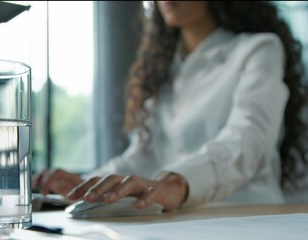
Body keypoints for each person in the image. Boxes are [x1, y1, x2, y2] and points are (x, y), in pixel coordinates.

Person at [33, 1, 308, 211]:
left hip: (248, 216)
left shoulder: (258, 49)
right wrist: (87, 185)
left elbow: (248, 138)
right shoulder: (163, 70)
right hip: (175, 220)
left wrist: (177, 183)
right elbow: (142, 155)